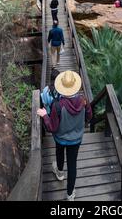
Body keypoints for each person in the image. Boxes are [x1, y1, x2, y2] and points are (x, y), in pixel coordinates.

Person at [37, 70, 92, 201]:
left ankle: (60, 173)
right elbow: (89, 117)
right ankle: (70, 194)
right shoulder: (84, 101)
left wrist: (45, 116)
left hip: (60, 138)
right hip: (76, 139)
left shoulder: (57, 105)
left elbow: (52, 127)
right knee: (72, 164)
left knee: (59, 153)